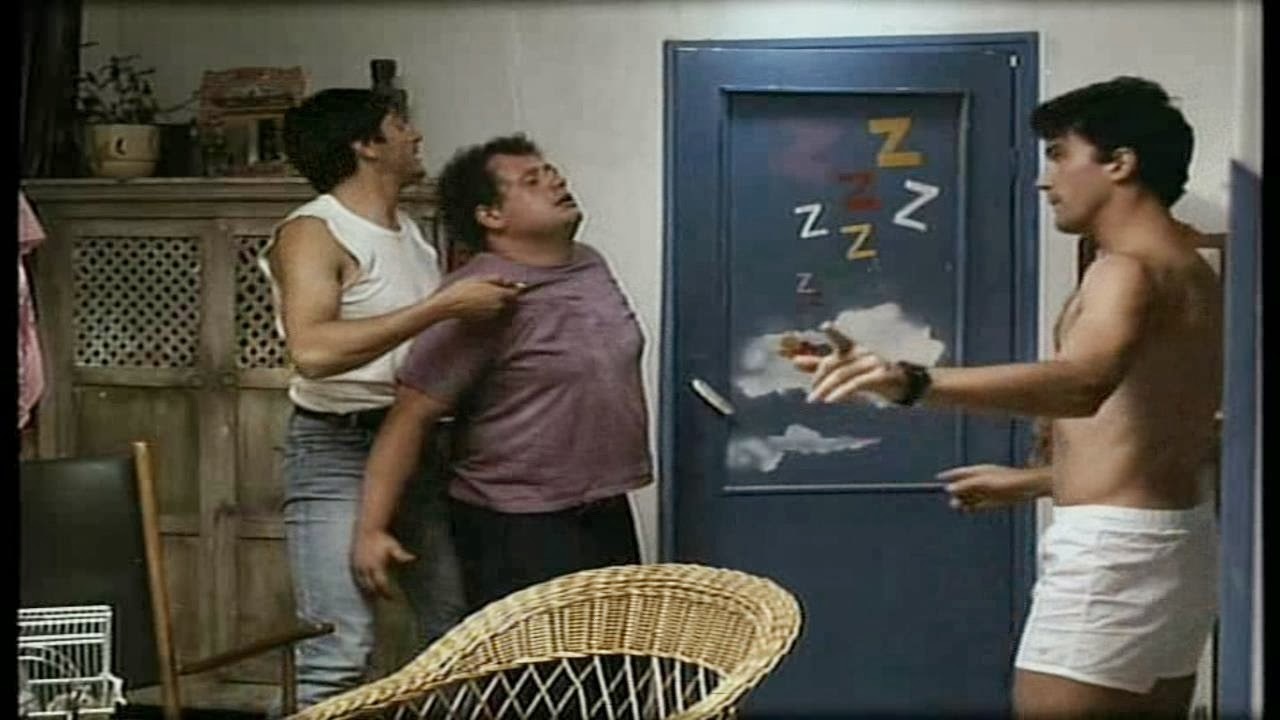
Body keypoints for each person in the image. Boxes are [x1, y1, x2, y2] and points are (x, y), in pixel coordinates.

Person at [795, 77, 1220, 718]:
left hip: (1113, 556)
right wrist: (1032, 483)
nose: (1045, 182)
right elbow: (1163, 429)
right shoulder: (1193, 270)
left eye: (1059, 155)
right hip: (1176, 543)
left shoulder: (1125, 269)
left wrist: (912, 381)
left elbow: (1082, 383)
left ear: (1119, 163)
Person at [260, 88, 521, 708]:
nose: (415, 135)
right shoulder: (313, 231)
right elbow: (314, 351)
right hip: (337, 445)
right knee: (338, 649)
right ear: (366, 145)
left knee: (450, 633)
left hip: (417, 445)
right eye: (400, 124)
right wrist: (442, 306)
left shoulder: (410, 233)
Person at [350, 134, 651, 614]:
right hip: (518, 522)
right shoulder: (481, 295)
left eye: (551, 172)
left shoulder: (590, 263)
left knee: (619, 654)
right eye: (532, 181)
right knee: (541, 662)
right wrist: (372, 530)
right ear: (491, 215)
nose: (556, 181)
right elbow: (410, 415)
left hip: (604, 503)